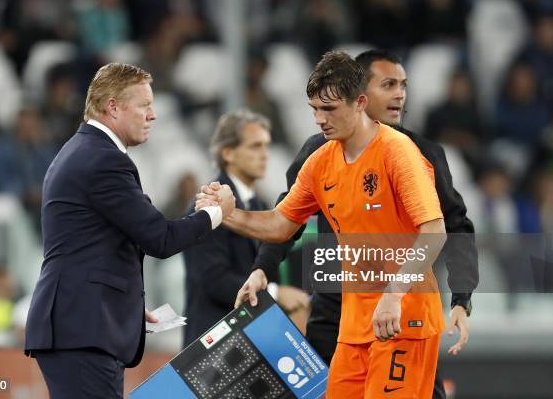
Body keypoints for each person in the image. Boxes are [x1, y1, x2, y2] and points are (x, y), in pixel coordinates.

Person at [198, 51, 447, 398]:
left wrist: (394, 295)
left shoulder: (397, 151)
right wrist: (229, 214)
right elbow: (281, 224)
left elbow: (434, 231)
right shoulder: (320, 162)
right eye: (314, 108)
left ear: (360, 102)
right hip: (354, 323)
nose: (319, 119)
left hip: (403, 317)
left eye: (329, 109)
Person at [24, 63, 234, 399]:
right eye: (144, 105)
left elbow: (94, 245)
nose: (152, 115)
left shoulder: (85, 151)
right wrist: (215, 213)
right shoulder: (102, 159)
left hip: (81, 327)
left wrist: (126, 304)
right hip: (83, 332)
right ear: (113, 107)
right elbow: (159, 239)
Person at [183, 109, 309, 346]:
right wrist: (275, 293)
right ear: (228, 153)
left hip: (247, 341)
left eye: (266, 146)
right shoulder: (209, 202)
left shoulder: (260, 205)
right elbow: (213, 278)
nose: (265, 155)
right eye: (255, 146)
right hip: (211, 344)